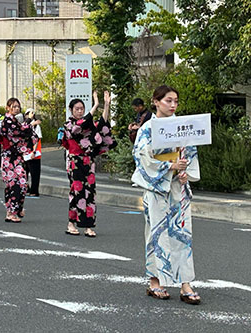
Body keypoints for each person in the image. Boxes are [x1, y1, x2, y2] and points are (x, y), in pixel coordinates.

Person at [131, 85, 201, 305]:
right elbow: (142, 157)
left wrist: (184, 171)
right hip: (156, 187)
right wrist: (170, 166)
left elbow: (189, 153)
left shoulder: (182, 126)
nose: (172, 105)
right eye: (168, 100)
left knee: (182, 232)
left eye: (175, 101)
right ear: (156, 101)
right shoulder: (147, 128)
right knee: (156, 231)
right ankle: (155, 280)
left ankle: (185, 282)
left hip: (177, 187)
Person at [62, 91, 115, 237]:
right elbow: (80, 125)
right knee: (77, 192)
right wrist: (96, 104)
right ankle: (72, 223)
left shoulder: (88, 124)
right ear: (71, 110)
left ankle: (88, 226)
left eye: (82, 109)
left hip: (88, 161)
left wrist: (106, 106)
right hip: (75, 161)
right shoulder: (69, 125)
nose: (80, 111)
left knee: (90, 193)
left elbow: (101, 125)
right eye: (77, 109)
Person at [0, 98, 40, 223]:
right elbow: (20, 131)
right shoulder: (7, 121)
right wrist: (29, 122)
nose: (16, 108)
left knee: (22, 182)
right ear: (8, 107)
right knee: (14, 184)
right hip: (9, 157)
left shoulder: (15, 121)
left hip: (17, 157)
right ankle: (11, 212)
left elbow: (26, 132)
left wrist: (27, 127)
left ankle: (15, 209)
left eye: (18, 106)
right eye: (14, 106)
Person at [25, 108, 42, 197]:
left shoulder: (36, 126)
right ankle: (26, 188)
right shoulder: (25, 125)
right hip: (26, 153)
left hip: (34, 153)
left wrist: (34, 151)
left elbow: (37, 139)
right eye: (28, 114)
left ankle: (34, 191)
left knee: (35, 173)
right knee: (24, 172)